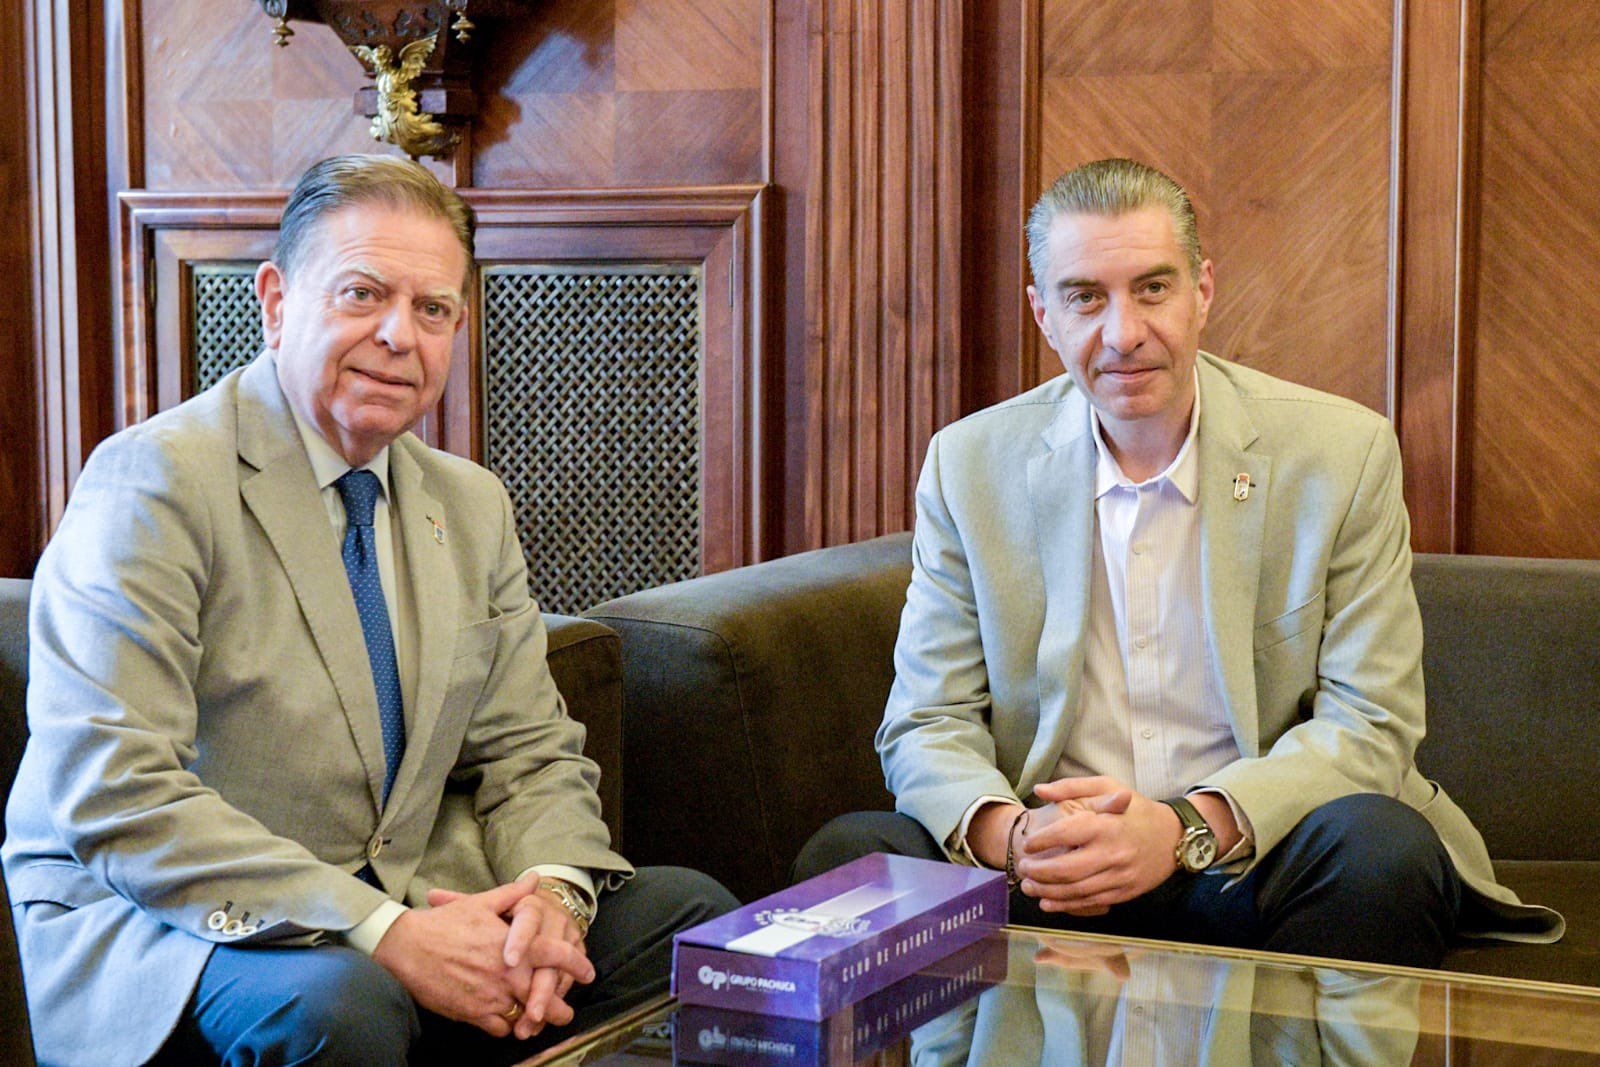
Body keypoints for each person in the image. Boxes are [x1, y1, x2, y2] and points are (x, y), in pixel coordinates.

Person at [3, 154, 737, 1066]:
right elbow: (116, 790)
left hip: (410, 884)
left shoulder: (467, 503)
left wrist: (551, 902)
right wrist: (383, 930)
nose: (401, 335)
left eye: (433, 309)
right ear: (274, 300)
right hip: (176, 916)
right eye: (361, 294)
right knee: (342, 1008)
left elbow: (529, 749)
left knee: (698, 926)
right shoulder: (155, 480)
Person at [795, 158, 1560, 967]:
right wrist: (1018, 837)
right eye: (1085, 296)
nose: (1123, 332)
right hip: (1054, 867)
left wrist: (1183, 828)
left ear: (1204, 290)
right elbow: (925, 719)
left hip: (1246, 858)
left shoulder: (1339, 454)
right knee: (850, 859)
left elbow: (1372, 721)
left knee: (1380, 849)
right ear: (1043, 314)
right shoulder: (969, 464)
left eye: (1152, 288)